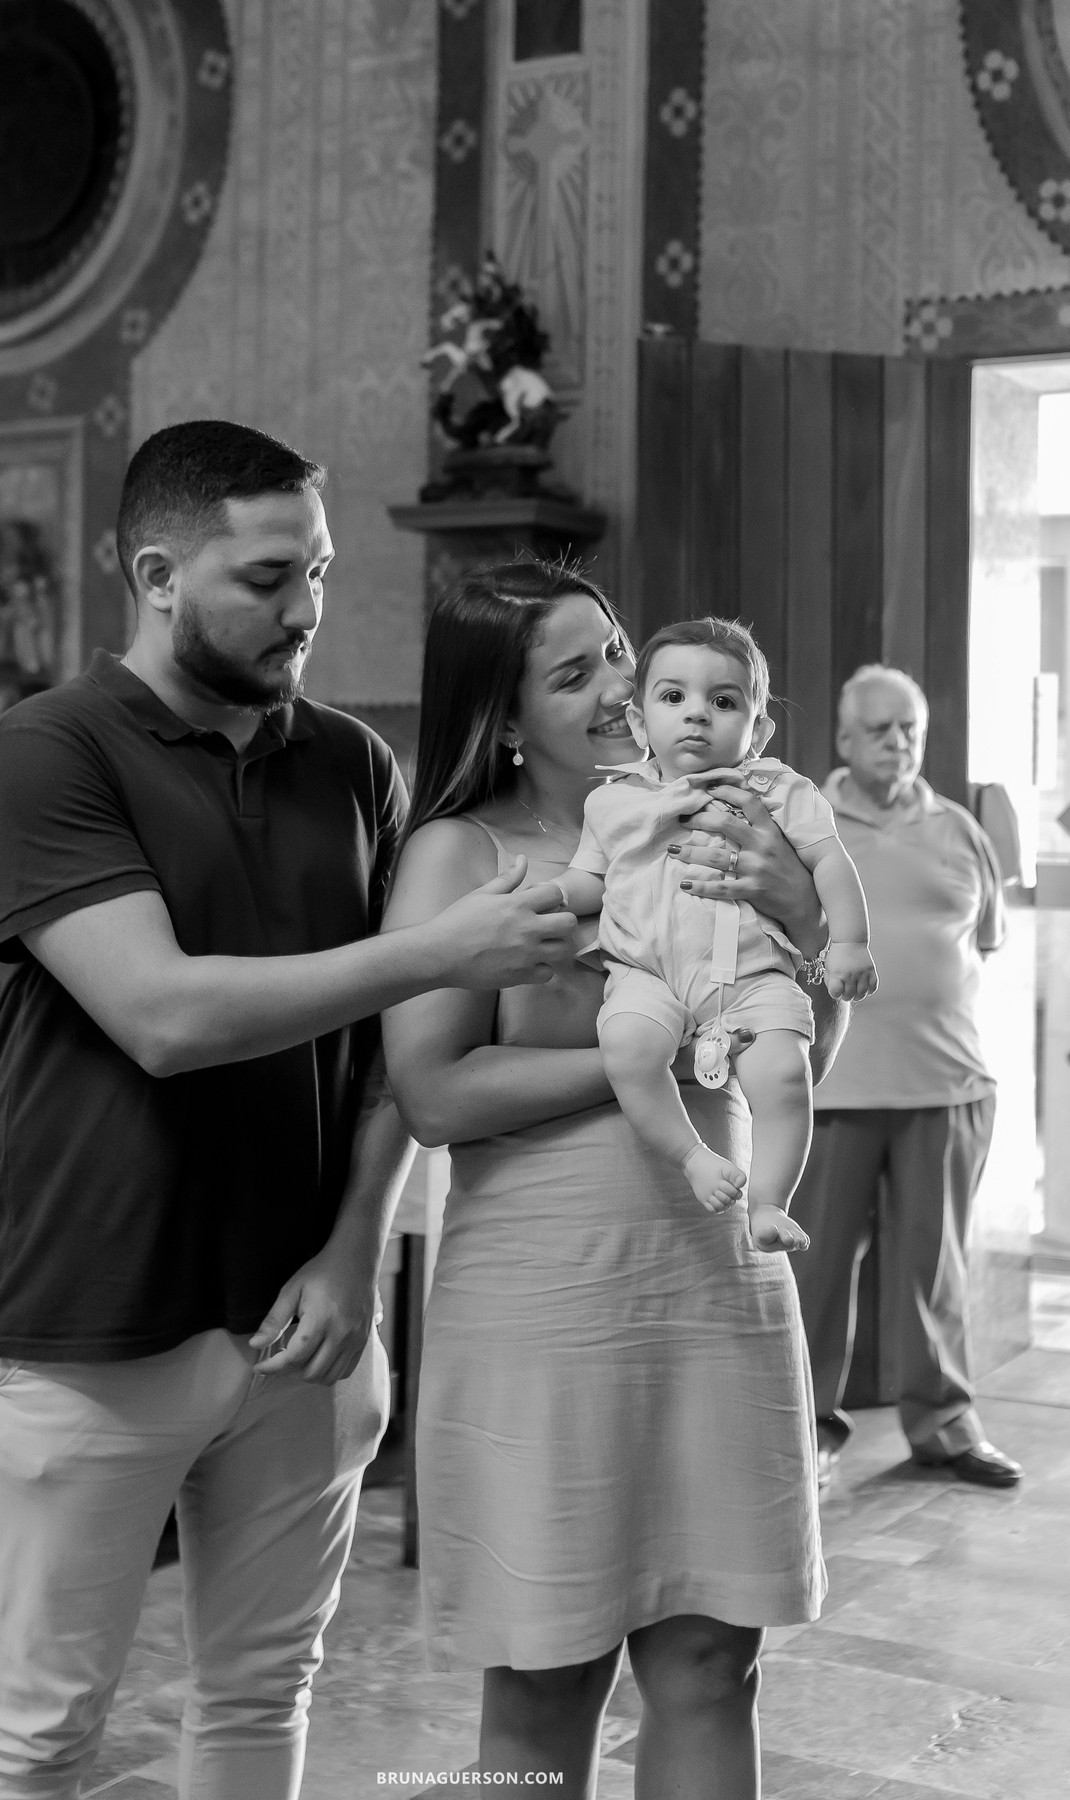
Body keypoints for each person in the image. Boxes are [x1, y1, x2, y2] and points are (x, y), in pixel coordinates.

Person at [0, 421, 579, 1800]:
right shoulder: (47, 751)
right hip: (95, 1321)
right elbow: (163, 1016)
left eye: (323, 572)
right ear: (156, 573)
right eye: (269, 577)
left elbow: (389, 1062)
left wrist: (355, 1248)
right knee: (38, 1731)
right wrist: (440, 950)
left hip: (307, 1322)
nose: (307, 610)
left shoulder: (354, 765)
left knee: (260, 1695)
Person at [382, 563, 847, 1800]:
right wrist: (641, 1057)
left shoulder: (724, 815)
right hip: (546, 1298)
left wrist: (801, 924)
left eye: (620, 654)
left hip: (714, 1278)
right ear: (503, 711)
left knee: (713, 1660)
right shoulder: (462, 853)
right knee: (546, 1670)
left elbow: (801, 1055)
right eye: (572, 672)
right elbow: (434, 1093)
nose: (619, 688)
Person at [556, 617, 875, 1248]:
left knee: (785, 1074)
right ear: (640, 722)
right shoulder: (612, 802)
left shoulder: (779, 791)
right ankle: (693, 1155)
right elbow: (588, 880)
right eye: (674, 697)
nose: (697, 713)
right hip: (648, 974)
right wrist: (543, 899)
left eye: (723, 701)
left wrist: (849, 943)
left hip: (754, 975)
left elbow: (831, 863)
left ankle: (769, 1203)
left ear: (759, 730)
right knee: (627, 1048)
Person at [791, 665, 1023, 1489]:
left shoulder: (960, 829)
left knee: (936, 1270)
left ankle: (945, 1426)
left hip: (947, 1087)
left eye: (910, 729)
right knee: (813, 1273)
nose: (898, 743)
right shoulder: (802, 826)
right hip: (829, 1091)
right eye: (880, 729)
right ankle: (805, 1430)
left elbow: (984, 941)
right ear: (844, 739)